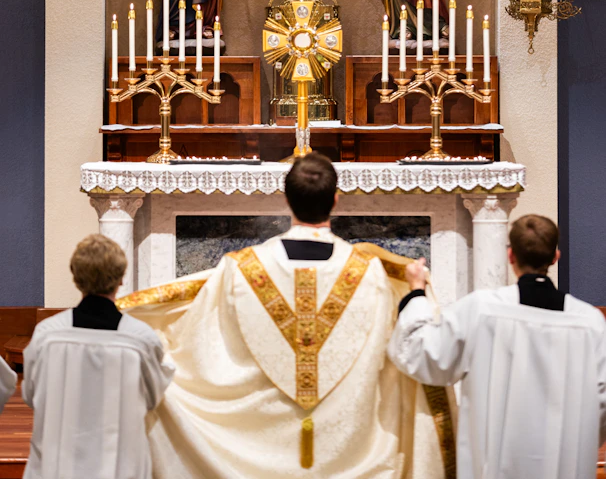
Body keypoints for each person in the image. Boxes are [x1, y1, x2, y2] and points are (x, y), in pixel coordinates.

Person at [120, 152, 456, 478]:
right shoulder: (370, 274)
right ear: (336, 201)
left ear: (286, 199)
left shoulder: (241, 269)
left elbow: (201, 341)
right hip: (352, 447)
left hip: (256, 452)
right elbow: (393, 348)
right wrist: (413, 291)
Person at [388, 214, 606, 479]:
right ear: (555, 257)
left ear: (511, 255)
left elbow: (423, 354)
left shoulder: (481, 309)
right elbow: (601, 399)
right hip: (563, 462)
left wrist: (416, 293)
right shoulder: (590, 321)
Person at [22, 234, 174, 479]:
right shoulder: (141, 339)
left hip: (56, 467)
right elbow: (153, 398)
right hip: (121, 468)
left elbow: (31, 395)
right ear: (121, 278)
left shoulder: (47, 335)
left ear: (75, 277)